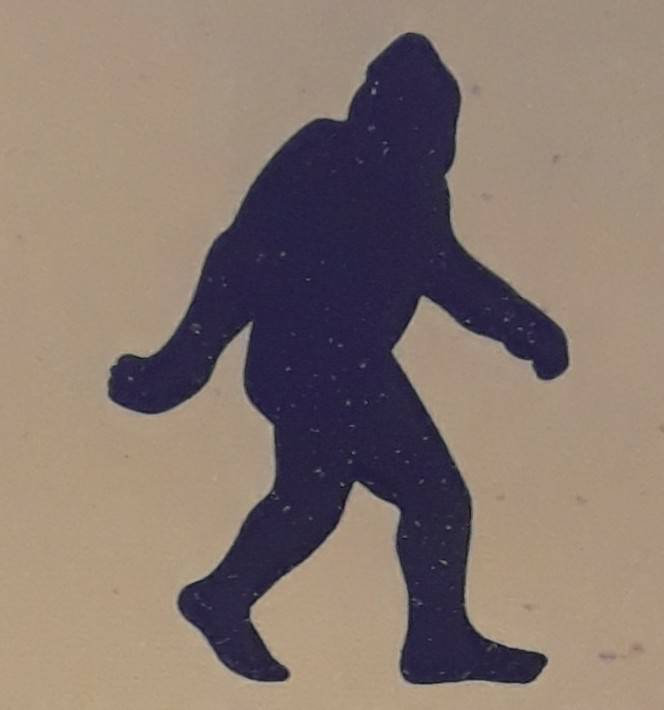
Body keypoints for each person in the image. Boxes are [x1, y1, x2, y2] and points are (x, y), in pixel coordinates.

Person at [109, 32, 569, 684]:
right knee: (413, 499)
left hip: (351, 367)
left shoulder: (419, 192)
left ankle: (236, 598)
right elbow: (241, 256)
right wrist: (182, 362)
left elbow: (450, 275)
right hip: (308, 362)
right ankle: (410, 637)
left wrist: (526, 329)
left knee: (335, 499)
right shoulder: (322, 155)